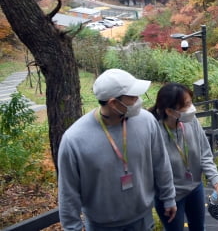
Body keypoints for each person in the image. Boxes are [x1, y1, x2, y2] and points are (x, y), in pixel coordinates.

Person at [57, 68, 177, 231]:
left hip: (143, 219)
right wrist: (72, 228)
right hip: (101, 226)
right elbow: (68, 192)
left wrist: (168, 198)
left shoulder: (146, 121)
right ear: (114, 103)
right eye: (133, 97)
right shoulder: (74, 139)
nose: (138, 101)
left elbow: (160, 163)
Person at [149, 82, 218, 231]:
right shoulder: (155, 133)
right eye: (186, 105)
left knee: (199, 227)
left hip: (195, 187)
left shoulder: (191, 121)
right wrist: (168, 199)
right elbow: (155, 171)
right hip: (170, 196)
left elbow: (205, 154)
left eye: (191, 102)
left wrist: (216, 181)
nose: (192, 108)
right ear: (170, 111)